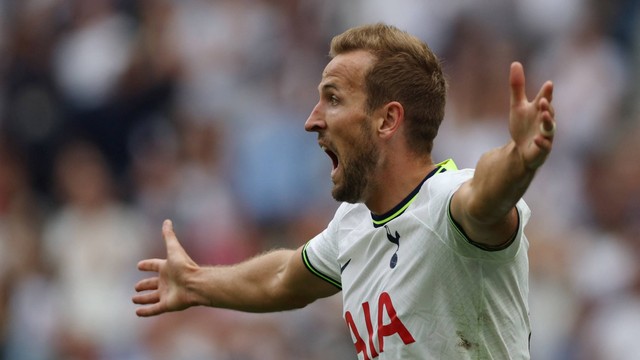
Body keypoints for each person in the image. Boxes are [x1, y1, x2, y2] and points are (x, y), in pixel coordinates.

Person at [133, 23, 555, 359]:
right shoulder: (352, 226)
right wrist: (196, 283)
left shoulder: (448, 201)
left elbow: (488, 195)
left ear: (387, 120)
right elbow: (282, 278)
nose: (312, 120)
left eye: (332, 99)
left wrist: (520, 159)